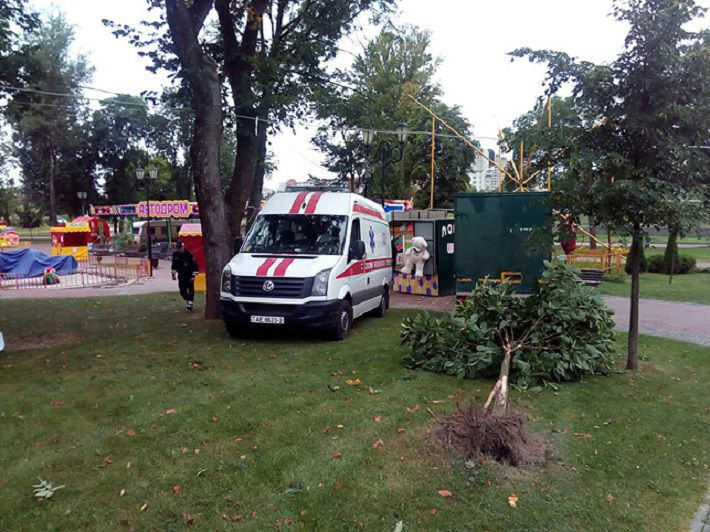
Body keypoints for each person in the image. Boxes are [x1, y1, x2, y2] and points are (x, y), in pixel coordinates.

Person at [171, 241, 199, 312]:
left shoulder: (189, 255)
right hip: (181, 275)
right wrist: (173, 274)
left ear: (183, 247)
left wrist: (193, 276)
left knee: (190, 289)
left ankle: (190, 304)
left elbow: (195, 266)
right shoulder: (175, 255)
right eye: (178, 248)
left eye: (180, 248)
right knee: (182, 290)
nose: (179, 250)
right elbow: (174, 265)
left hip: (189, 275)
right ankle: (188, 299)